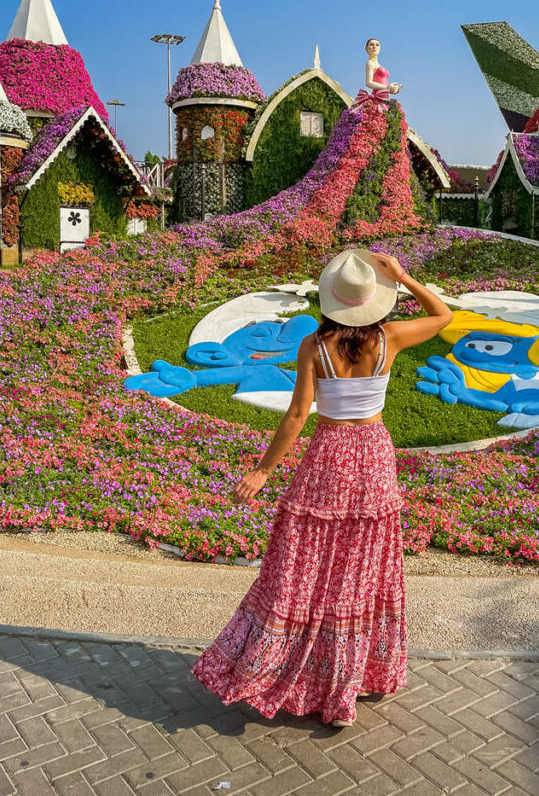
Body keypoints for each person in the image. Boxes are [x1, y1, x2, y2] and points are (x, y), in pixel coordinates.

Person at [191, 248, 452, 727]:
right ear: (374, 301)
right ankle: (347, 683)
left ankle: (287, 671)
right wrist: (406, 277)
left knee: (306, 564)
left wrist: (263, 470)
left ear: (331, 301)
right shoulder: (389, 338)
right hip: (373, 455)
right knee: (360, 568)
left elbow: (296, 417)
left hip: (329, 454)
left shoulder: (313, 346)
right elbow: (444, 315)